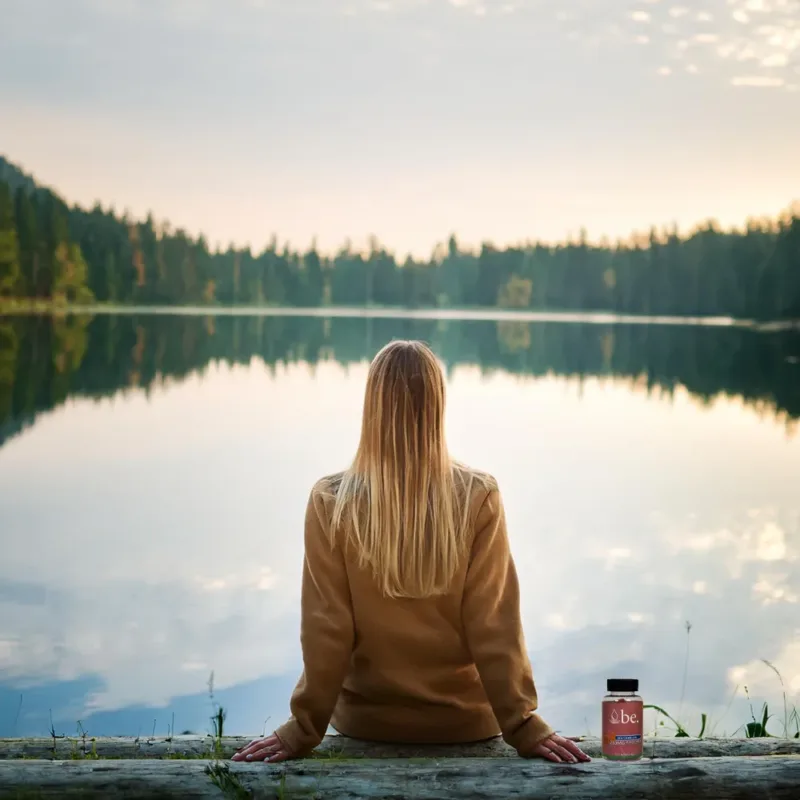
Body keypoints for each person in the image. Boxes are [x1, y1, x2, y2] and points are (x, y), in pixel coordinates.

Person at [232, 340, 589, 765]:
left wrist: (305, 728)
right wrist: (523, 723)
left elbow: (327, 629)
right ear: (438, 405)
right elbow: (493, 626)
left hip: (365, 723)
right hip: (465, 725)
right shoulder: (478, 496)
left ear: (371, 407)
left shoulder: (331, 501)